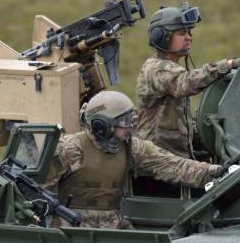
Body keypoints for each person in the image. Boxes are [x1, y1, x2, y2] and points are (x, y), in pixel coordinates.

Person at [44, 90, 222, 229]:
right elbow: (35, 187)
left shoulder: (131, 147)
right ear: (101, 126)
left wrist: (215, 172)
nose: (129, 128)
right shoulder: (69, 149)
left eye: (130, 120)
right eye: (123, 122)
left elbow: (172, 165)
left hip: (114, 225)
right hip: (72, 228)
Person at [136, 3, 240, 159]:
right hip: (157, 164)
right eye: (182, 33)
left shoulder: (171, 68)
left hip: (176, 158)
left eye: (189, 32)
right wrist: (227, 65)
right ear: (162, 37)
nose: (189, 37)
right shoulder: (155, 69)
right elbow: (185, 83)